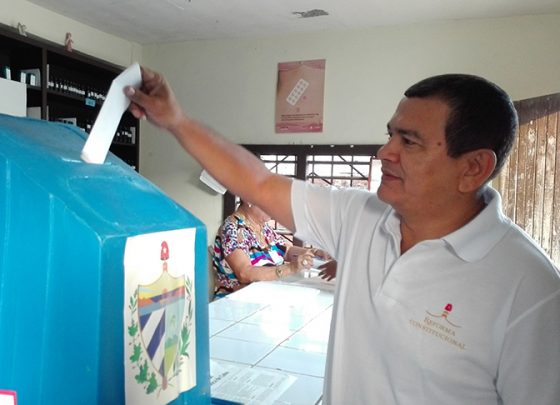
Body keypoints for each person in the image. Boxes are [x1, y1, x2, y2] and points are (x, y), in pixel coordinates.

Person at [124, 67, 560, 404]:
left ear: (472, 168)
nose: (384, 152)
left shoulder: (530, 290)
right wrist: (175, 119)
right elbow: (257, 183)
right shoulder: (361, 216)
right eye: (390, 134)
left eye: (409, 142)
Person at [211, 199, 334, 299]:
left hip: (266, 298)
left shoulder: (262, 227)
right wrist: (290, 268)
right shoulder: (232, 229)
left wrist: (315, 253)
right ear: (248, 199)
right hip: (238, 303)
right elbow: (244, 273)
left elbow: (286, 250)